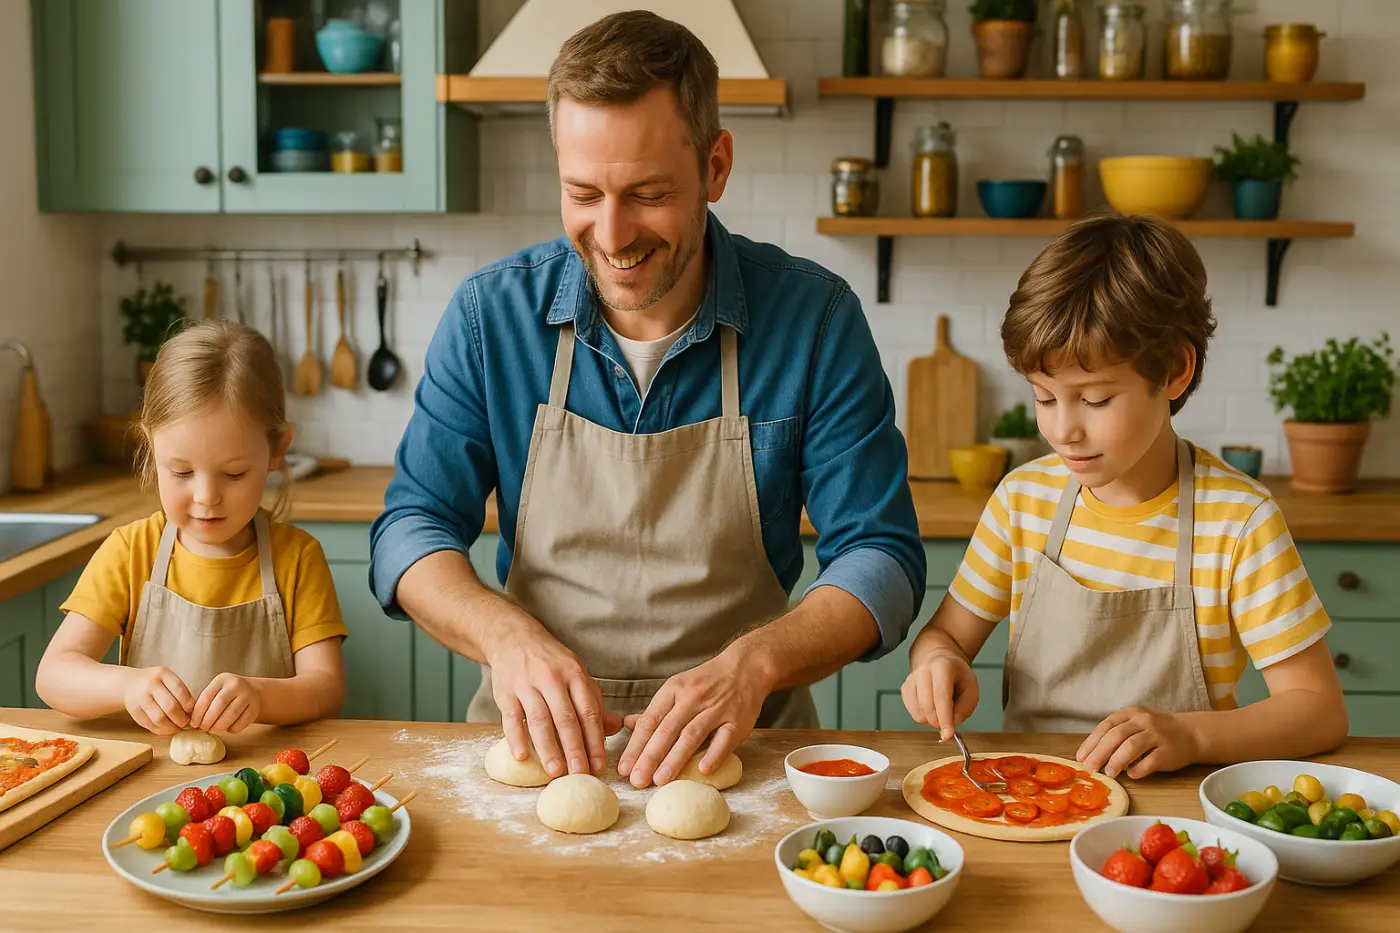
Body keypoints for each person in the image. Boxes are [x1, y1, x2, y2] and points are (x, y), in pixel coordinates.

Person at [369, 10, 925, 788]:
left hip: (747, 757)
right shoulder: (490, 317)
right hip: (532, 753)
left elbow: (884, 559)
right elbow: (409, 529)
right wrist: (506, 637)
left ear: (717, 165)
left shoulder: (815, 321)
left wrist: (754, 662)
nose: (613, 232)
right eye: (583, 192)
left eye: (649, 193)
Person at [901, 212, 1349, 779]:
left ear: (1174, 372)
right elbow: (944, 636)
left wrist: (1191, 733)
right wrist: (938, 663)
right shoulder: (1023, 501)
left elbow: (1319, 710)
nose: (1064, 430)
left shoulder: (1239, 522)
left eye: (1094, 400)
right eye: (1044, 398)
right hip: (1031, 797)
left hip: (1180, 815)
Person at [35, 321, 348, 735]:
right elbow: (54, 675)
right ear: (150, 444)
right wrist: (127, 685)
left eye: (234, 474)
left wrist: (261, 697)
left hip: (266, 781)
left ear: (277, 449)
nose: (206, 496)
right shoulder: (131, 551)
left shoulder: (298, 557)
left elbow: (326, 687)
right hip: (152, 779)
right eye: (181, 471)